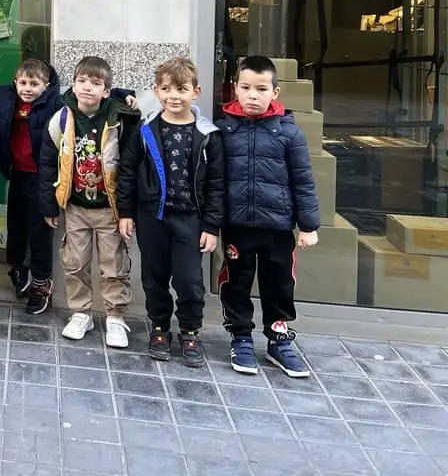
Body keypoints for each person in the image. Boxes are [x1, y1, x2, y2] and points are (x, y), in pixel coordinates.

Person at [117, 57, 225, 367]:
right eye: (166, 89)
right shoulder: (145, 130)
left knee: (190, 281)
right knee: (154, 277)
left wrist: (212, 226)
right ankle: (159, 328)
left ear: (196, 92)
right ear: (156, 90)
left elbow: (217, 184)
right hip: (152, 218)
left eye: (181, 89)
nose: (173, 96)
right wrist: (126, 212)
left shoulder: (208, 135)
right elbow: (127, 173)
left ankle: (190, 331)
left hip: (190, 220)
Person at [217, 55, 319, 377]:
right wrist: (211, 222)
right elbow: (214, 182)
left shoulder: (288, 132)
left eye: (261, 89)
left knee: (279, 283)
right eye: (246, 87)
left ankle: (278, 339)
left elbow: (303, 180)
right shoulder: (224, 130)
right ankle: (240, 336)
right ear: (235, 88)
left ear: (274, 92)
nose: (253, 95)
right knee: (236, 282)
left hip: (277, 229)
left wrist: (308, 225)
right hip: (237, 227)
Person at [39, 55, 137, 348]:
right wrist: (49, 203)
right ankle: (81, 313)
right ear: (73, 84)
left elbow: (130, 165)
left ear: (106, 91)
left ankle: (115, 316)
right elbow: (48, 162)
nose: (87, 87)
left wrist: (127, 211)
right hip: (76, 207)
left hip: (109, 208)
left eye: (95, 83)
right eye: (82, 81)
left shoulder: (119, 118)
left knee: (114, 265)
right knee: (75, 263)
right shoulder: (62, 118)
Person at [0, 58, 61, 315]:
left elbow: (88, 95)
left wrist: (123, 94)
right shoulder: (8, 99)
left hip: (43, 180)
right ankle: (17, 268)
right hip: (18, 175)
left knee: (40, 232)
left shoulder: (56, 103)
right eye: (22, 82)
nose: (27, 88)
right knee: (16, 227)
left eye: (34, 84)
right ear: (15, 83)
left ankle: (42, 283)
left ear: (46, 85)